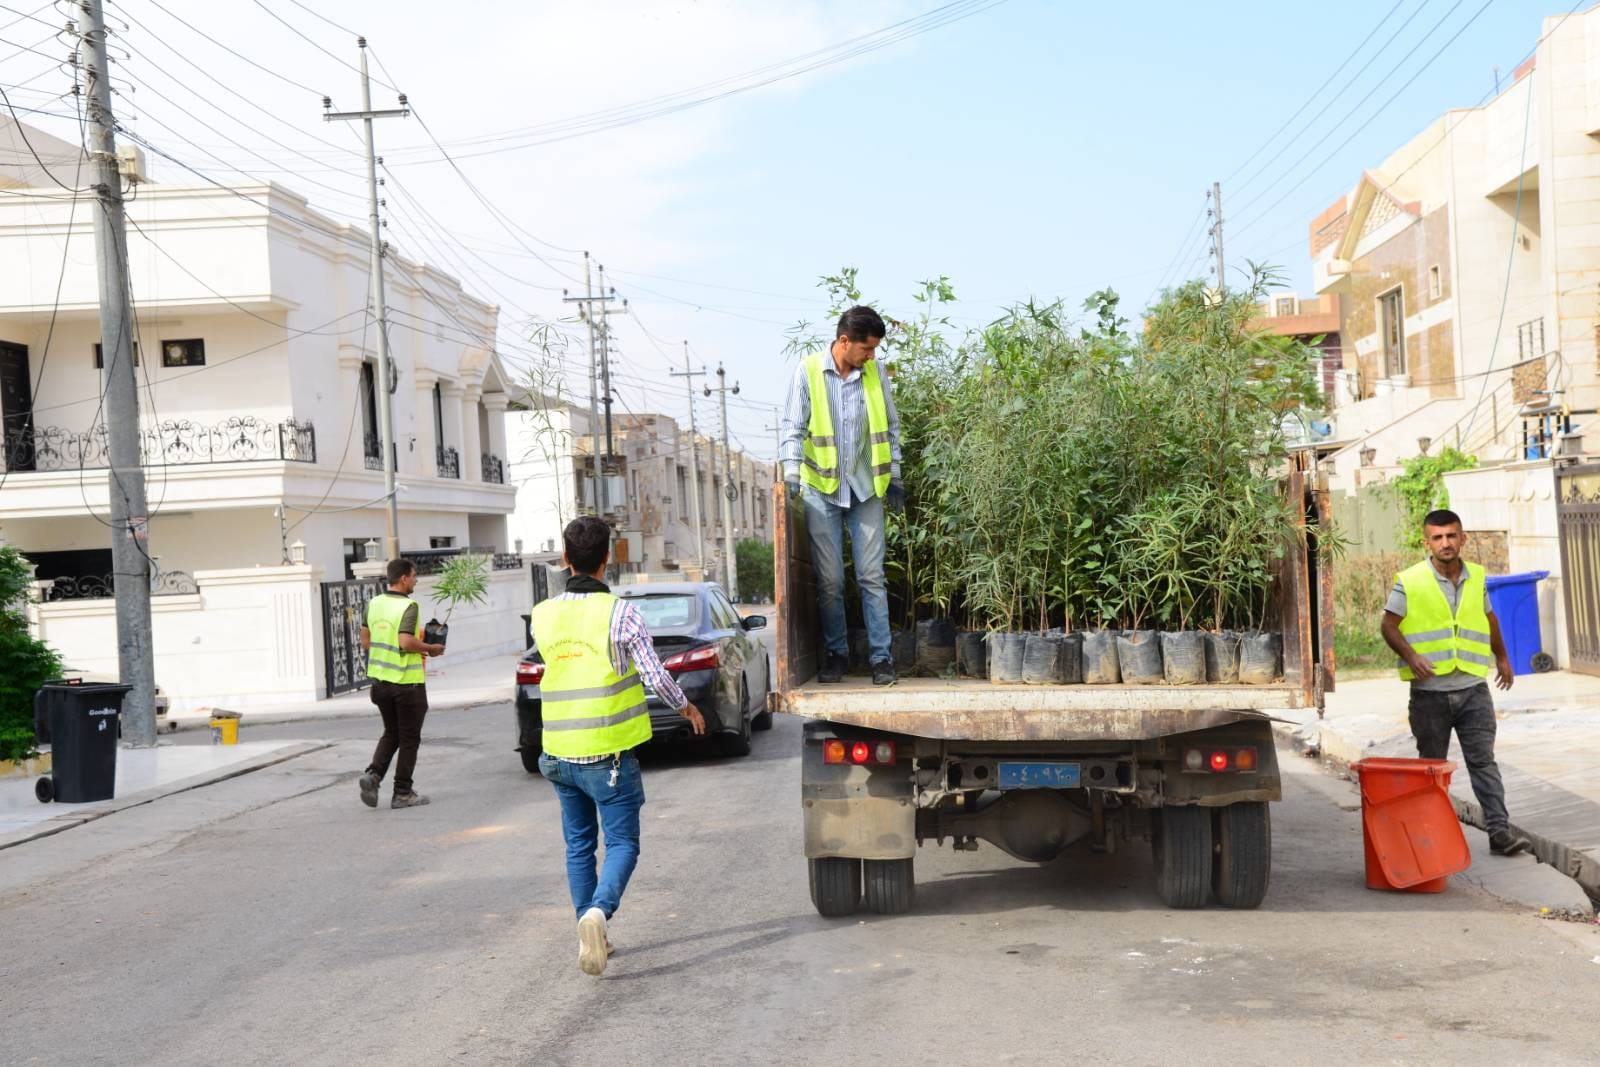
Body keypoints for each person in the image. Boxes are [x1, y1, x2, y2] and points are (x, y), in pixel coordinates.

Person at [532, 516, 706, 976]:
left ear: (565, 559)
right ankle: (598, 914)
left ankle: (592, 934)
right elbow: (653, 674)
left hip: (558, 753)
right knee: (623, 842)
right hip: (606, 752)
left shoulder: (543, 614)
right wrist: (686, 707)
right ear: (608, 559)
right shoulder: (620, 612)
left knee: (578, 845)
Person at [1380, 509, 1531, 856]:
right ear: (1427, 542)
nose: (1445, 543)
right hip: (1430, 695)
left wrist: (1503, 657)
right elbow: (1388, 625)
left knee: (1484, 763)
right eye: (1438, 537)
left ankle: (1499, 833)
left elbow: (1488, 617)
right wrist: (1411, 656)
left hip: (1472, 690)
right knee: (1431, 768)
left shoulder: (1476, 576)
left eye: (1451, 536)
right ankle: (1428, 839)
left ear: (1463, 538)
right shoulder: (1411, 579)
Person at [779, 305, 905, 687]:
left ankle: (881, 660)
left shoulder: (874, 373)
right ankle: (836, 654)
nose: (873, 356)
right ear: (844, 341)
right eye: (867, 349)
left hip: (867, 487)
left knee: (871, 576)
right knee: (830, 580)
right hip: (822, 489)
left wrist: (895, 475)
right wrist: (791, 473)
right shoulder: (809, 372)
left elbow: (892, 425)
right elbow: (793, 426)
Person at [358, 558, 444, 810]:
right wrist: (430, 648)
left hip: (380, 683)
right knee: (409, 739)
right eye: (414, 575)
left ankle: (373, 776)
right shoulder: (409, 605)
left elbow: (365, 641)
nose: (416, 580)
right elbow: (406, 641)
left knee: (392, 732)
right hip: (407, 684)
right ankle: (403, 792)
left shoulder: (373, 603)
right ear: (404, 578)